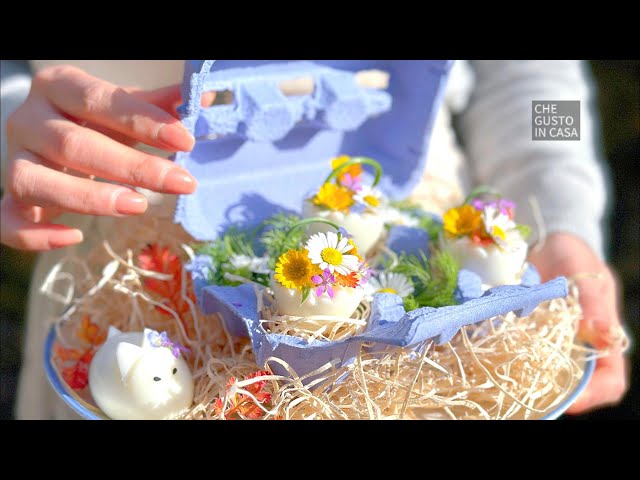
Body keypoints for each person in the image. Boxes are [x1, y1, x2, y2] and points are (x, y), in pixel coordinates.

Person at [0, 60, 628, 419]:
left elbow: (539, 82)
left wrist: (561, 210)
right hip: (132, 256)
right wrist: (13, 128)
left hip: (401, 202)